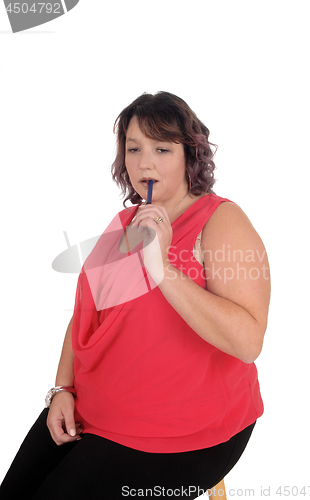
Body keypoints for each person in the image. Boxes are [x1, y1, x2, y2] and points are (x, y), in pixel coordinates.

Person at [0, 91, 270, 499]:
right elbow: (87, 316)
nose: (144, 163)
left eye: (162, 148)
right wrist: (62, 390)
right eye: (133, 148)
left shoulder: (221, 222)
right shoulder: (127, 222)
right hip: (96, 409)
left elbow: (248, 342)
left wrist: (160, 268)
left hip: (188, 432)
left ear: (190, 155)